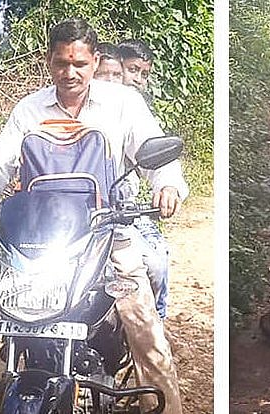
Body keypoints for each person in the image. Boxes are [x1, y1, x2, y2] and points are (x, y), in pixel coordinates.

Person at [0, 19, 186, 413]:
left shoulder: (123, 104)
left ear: (95, 61)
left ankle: (164, 406)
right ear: (49, 61)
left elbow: (153, 149)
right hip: (36, 243)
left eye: (79, 63)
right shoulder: (29, 109)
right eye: (61, 63)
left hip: (107, 235)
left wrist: (167, 185)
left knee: (143, 324)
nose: (70, 72)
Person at [100, 38, 170, 321]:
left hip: (123, 213)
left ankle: (158, 320)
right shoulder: (74, 111)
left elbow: (155, 151)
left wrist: (166, 184)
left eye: (143, 74)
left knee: (156, 264)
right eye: (132, 70)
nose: (137, 79)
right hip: (74, 218)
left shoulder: (132, 109)